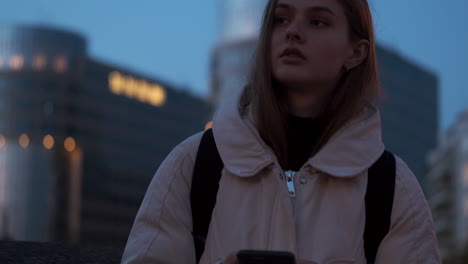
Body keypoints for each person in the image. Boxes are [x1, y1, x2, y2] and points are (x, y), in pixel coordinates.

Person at [121, 0, 441, 263]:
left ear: (355, 53)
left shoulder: (392, 186)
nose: (293, 32)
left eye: (317, 21)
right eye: (281, 19)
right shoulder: (193, 162)